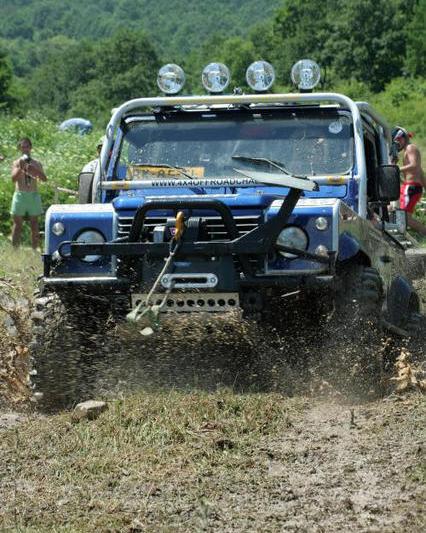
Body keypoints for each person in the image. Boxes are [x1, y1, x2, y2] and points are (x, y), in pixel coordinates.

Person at [10, 138, 47, 249]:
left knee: (34, 224)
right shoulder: (16, 162)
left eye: (27, 146)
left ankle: (34, 250)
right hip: (20, 195)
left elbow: (44, 179)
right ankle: (14, 250)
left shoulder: (37, 163)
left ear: (31, 148)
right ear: (20, 149)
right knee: (17, 225)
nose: (25, 149)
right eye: (23, 147)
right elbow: (13, 179)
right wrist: (21, 168)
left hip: (33, 195)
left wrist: (34, 170)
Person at [392, 126, 426, 236]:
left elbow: (414, 165)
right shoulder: (409, 150)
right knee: (397, 212)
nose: (397, 144)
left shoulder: (410, 148)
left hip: (411, 187)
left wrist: (396, 169)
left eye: (397, 140)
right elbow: (419, 171)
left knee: (405, 218)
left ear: (402, 138)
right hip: (411, 186)